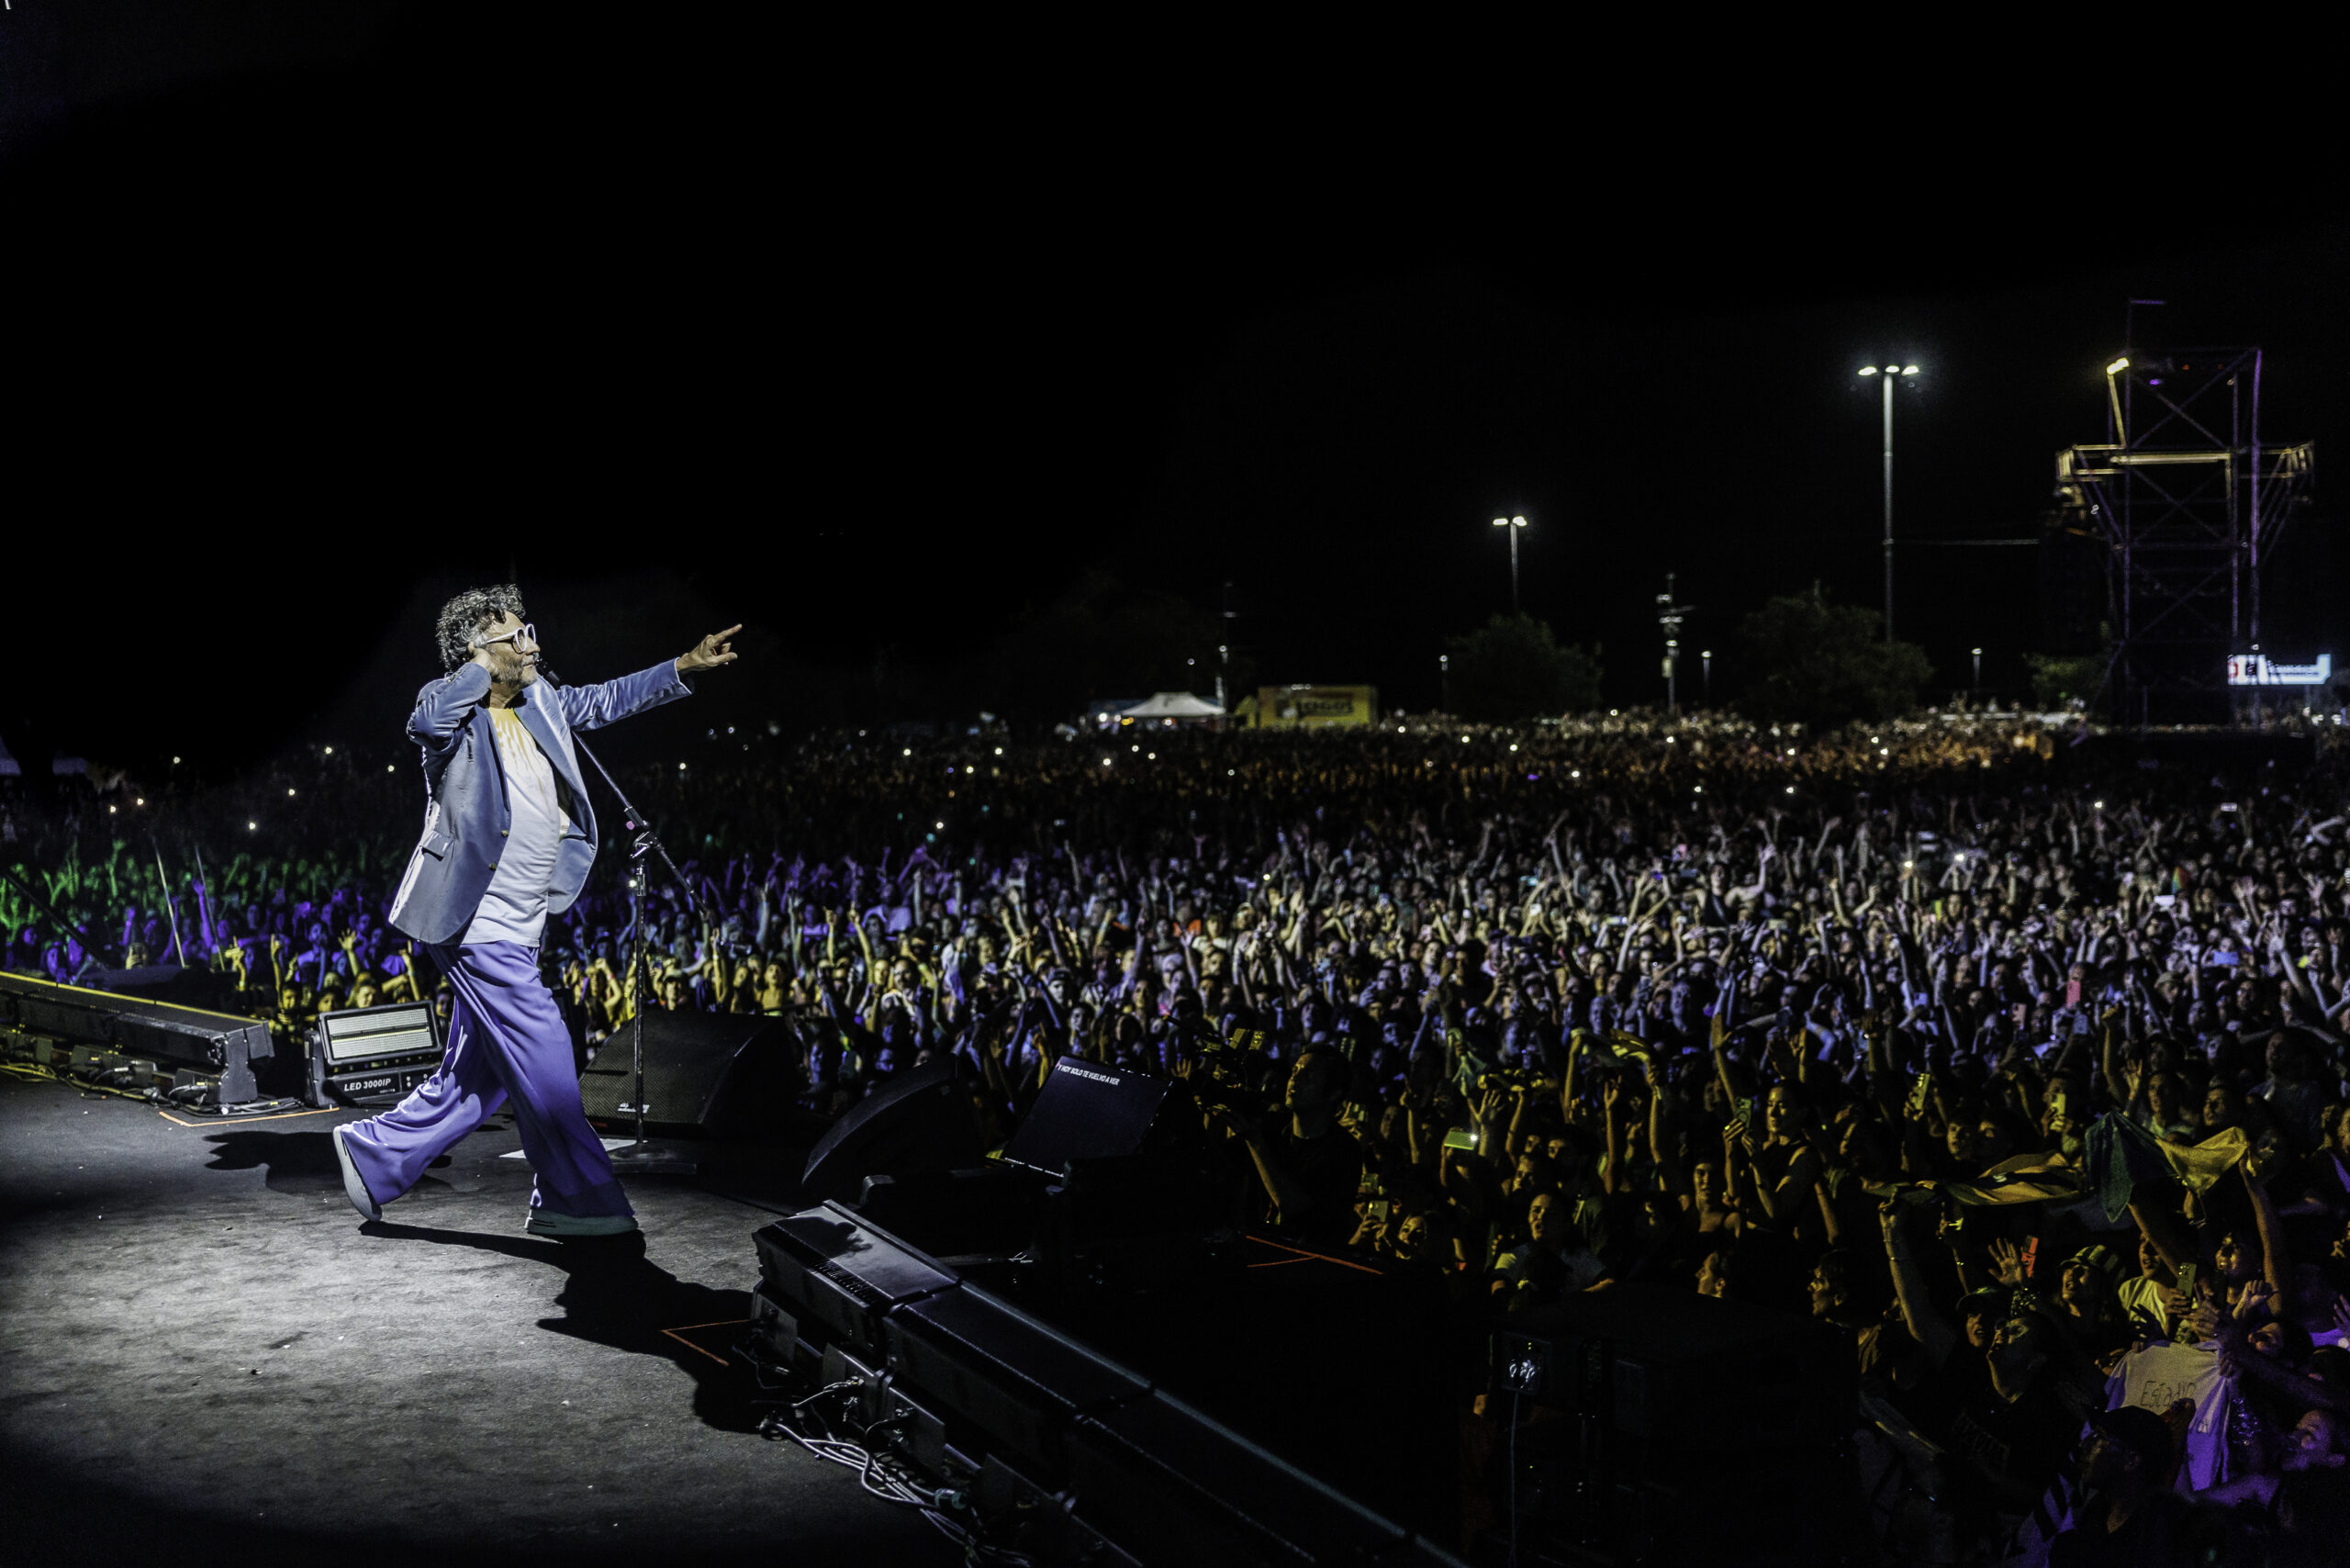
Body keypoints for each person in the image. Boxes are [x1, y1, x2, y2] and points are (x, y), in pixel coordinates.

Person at [330, 585, 739, 1238]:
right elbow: (426, 722)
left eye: (531, 632)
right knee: (544, 1047)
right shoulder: (451, 713)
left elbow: (603, 700)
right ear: (478, 651)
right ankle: (579, 1196)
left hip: (524, 919)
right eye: (518, 637)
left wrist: (684, 665)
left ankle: (376, 1153)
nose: (533, 645)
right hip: (474, 918)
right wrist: (480, 664)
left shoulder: (541, 700)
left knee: (481, 1078)